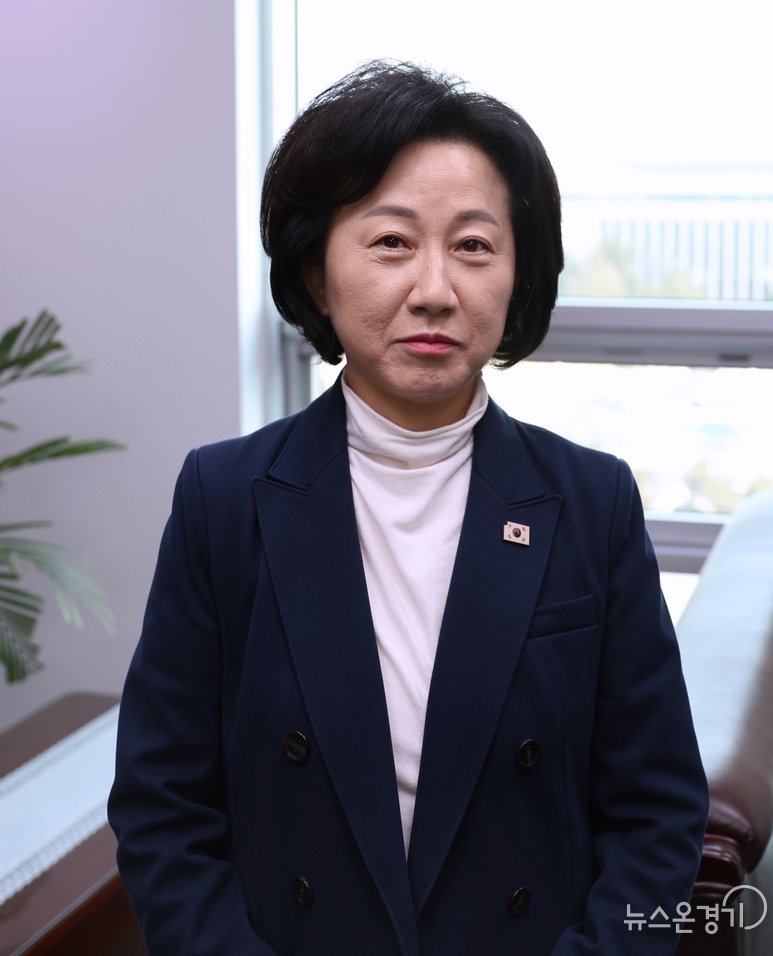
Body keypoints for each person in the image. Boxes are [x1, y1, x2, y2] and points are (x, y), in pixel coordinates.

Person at [108, 61, 708, 956]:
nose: (434, 290)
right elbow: (164, 807)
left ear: (517, 276)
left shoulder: (592, 501)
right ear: (317, 274)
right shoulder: (224, 499)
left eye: (474, 246)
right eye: (391, 242)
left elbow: (657, 813)